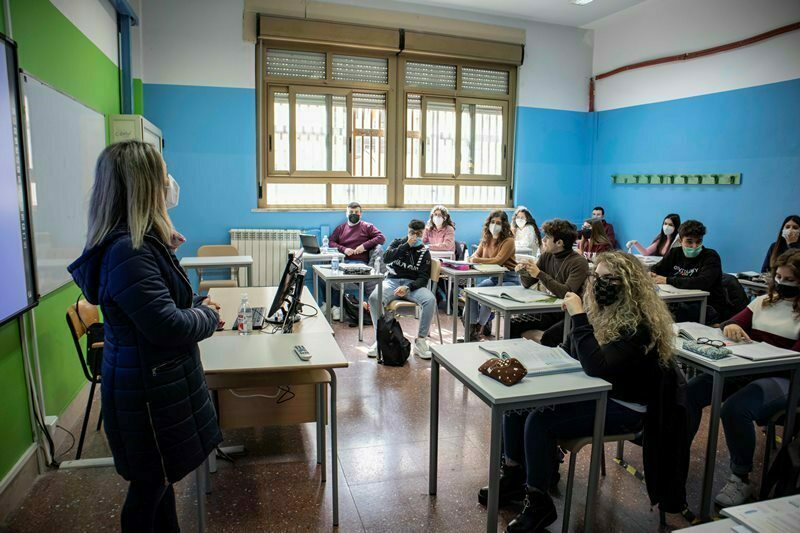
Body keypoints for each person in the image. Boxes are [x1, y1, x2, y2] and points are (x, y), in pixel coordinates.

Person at [67, 141, 222, 532]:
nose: (169, 183)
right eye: (162, 175)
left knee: (158, 481)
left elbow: (154, 302)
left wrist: (163, 250)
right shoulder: (128, 252)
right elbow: (167, 325)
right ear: (143, 185)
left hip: (148, 382)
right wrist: (207, 315)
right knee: (148, 489)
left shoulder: (136, 245)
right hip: (149, 390)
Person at [481, 251, 680, 531]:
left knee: (540, 420)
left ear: (628, 283)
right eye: (596, 277)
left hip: (625, 406)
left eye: (609, 279)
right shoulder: (605, 311)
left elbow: (598, 366)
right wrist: (577, 323)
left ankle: (539, 503)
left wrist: (579, 317)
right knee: (518, 406)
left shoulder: (639, 324)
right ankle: (515, 476)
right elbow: (573, 354)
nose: (600, 284)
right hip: (595, 391)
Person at [686, 249, 800, 507]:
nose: (782, 283)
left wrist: (761, 351)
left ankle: (740, 477)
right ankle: (679, 453)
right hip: (746, 367)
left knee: (735, 409)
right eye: (779, 277)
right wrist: (733, 326)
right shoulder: (763, 301)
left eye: (791, 280)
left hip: (785, 378)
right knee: (690, 392)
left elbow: (794, 358)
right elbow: (732, 322)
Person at [514, 219, 589, 346]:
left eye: (547, 237)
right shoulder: (546, 256)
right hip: (548, 311)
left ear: (559, 242)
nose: (543, 240)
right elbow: (528, 283)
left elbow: (566, 292)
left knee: (549, 337)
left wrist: (539, 273)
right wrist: (524, 271)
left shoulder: (579, 262)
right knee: (513, 326)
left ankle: (537, 342)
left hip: (567, 313)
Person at [367, 220, 435, 359]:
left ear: (423, 233)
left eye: (419, 234)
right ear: (407, 231)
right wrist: (406, 245)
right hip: (392, 281)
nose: (415, 237)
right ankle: (380, 339)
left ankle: (421, 341)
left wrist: (408, 287)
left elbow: (423, 278)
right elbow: (386, 258)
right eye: (412, 233)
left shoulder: (424, 252)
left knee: (430, 300)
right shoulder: (398, 243)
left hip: (412, 285)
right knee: (374, 298)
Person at [650, 219, 726, 324]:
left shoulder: (710, 256)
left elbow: (702, 282)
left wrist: (668, 280)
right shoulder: (675, 253)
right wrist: (651, 273)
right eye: (689, 241)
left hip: (706, 305)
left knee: (667, 315)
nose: (694, 246)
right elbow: (657, 269)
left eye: (698, 241)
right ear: (680, 241)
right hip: (679, 301)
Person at [323, 201, 386, 317]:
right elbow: (331, 241)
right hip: (342, 261)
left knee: (336, 278)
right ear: (346, 214)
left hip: (359, 263)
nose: (354, 214)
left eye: (356, 212)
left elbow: (381, 238)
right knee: (323, 274)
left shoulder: (367, 226)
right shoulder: (341, 228)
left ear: (361, 214)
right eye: (351, 212)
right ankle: (331, 305)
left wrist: (364, 246)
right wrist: (344, 249)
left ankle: (337, 308)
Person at [466, 210, 519, 340]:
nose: (494, 225)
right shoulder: (487, 237)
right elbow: (476, 254)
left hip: (509, 279)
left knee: (487, 296)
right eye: (492, 222)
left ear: (504, 225)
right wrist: (472, 258)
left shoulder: (508, 240)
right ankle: (472, 327)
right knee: (471, 293)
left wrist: (476, 260)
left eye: (498, 223)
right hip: (494, 278)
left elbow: (498, 260)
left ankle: (480, 327)